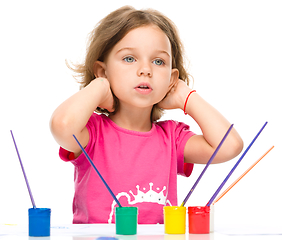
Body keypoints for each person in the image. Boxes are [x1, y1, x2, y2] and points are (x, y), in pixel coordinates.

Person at [50, 6, 243, 224]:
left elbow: (230, 146)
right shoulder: (92, 133)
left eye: (158, 61)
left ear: (171, 78)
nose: (145, 70)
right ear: (103, 71)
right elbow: (62, 125)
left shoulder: (173, 138)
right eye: (130, 59)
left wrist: (185, 96)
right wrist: (99, 86)